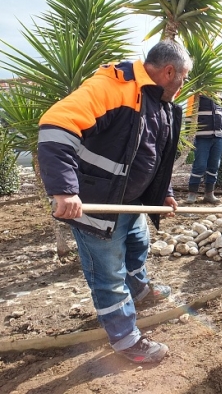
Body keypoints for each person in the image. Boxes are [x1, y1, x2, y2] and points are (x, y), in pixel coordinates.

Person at [37, 41, 192, 363]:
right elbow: (56, 126)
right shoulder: (113, 86)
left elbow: (154, 156)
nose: (183, 86)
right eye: (183, 78)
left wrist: (163, 193)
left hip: (130, 204)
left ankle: (139, 292)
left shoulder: (158, 101)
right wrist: (65, 192)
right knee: (108, 277)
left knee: (138, 248)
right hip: (98, 204)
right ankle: (126, 341)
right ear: (168, 71)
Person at [187, 96, 222, 204]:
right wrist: (189, 137)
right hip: (201, 137)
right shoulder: (195, 95)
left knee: (214, 166)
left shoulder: (221, 99)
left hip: (218, 138)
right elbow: (189, 117)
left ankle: (209, 194)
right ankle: (192, 194)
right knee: (200, 165)